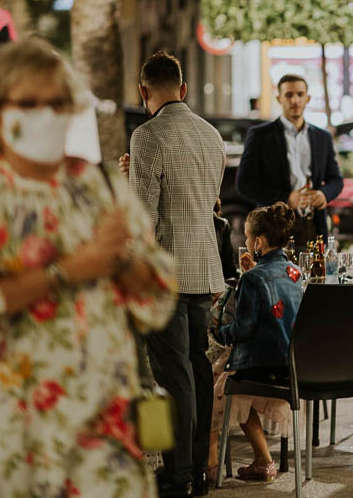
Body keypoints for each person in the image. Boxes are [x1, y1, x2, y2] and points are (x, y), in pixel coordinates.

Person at [0, 37, 177, 498]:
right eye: (29, 103)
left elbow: (157, 298)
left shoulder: (98, 184)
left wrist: (121, 258)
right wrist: (74, 267)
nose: (45, 115)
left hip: (105, 439)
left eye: (56, 103)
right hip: (8, 439)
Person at [125, 51, 227, 498]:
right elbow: (208, 200)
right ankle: (200, 471)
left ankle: (178, 474)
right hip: (204, 267)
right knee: (197, 368)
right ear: (183, 89)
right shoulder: (212, 135)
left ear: (143, 91)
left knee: (171, 374)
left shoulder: (147, 135)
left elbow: (142, 216)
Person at [213, 203, 304, 483]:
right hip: (292, 365)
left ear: (259, 242)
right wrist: (251, 272)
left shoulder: (252, 279)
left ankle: (211, 462)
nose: (247, 242)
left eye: (249, 238)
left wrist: (219, 331)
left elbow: (244, 329)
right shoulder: (295, 272)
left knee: (218, 380)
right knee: (229, 382)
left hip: (262, 365)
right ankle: (262, 459)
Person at [236, 74, 344, 242]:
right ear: (279, 98)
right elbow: (244, 184)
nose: (295, 100)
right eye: (289, 95)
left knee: (314, 269)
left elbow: (336, 180)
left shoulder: (322, 137)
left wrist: (324, 194)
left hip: (314, 224)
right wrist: (285, 198)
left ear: (307, 98)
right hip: (273, 226)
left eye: (300, 94)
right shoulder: (260, 136)